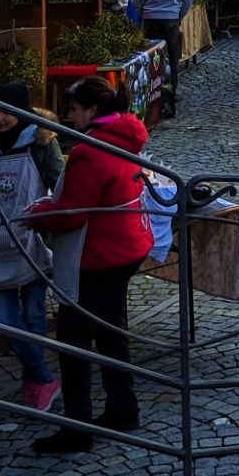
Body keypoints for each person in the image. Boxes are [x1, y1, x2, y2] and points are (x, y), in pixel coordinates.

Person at [25, 78, 152, 454]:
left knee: (74, 343)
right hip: (126, 245)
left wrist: (36, 217)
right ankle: (122, 407)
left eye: (74, 109)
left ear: (92, 110)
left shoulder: (90, 151)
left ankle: (77, 428)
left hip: (98, 255)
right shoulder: (124, 137)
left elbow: (73, 215)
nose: (68, 115)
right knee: (112, 331)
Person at [0, 80, 63, 411]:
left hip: (32, 239)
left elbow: (58, 181)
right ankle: (41, 376)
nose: (0, 118)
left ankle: (34, 382)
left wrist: (51, 217)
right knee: (6, 319)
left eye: (8, 113)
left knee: (35, 312)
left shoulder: (41, 142)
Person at [132, 0, 193, 117]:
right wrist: (178, 15)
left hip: (151, 20)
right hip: (171, 20)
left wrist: (144, 11)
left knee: (152, 59)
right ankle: (170, 98)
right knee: (171, 60)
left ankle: (152, 97)